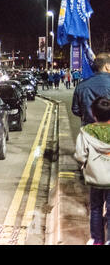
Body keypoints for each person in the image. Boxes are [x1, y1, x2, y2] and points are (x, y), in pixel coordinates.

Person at [74, 97, 110, 245]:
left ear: (94, 114)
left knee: (95, 208)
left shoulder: (86, 132)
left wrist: (85, 164)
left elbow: (80, 155)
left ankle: (97, 240)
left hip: (95, 178)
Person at [72, 52, 110, 126]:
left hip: (88, 128)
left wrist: (87, 115)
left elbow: (75, 110)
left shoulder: (81, 85)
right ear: (107, 66)